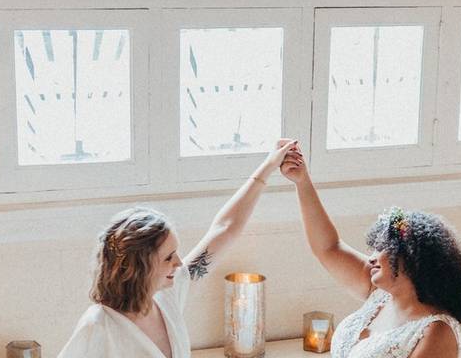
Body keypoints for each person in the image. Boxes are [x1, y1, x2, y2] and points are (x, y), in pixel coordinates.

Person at [57, 138, 298, 358]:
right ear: (141, 264)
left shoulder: (167, 294)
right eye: (168, 257)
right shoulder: (98, 326)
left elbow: (225, 228)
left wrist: (268, 166)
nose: (179, 263)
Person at [280, 145, 461, 358]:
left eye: (381, 249)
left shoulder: (437, 331)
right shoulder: (379, 295)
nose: (371, 257)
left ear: (410, 257)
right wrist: (302, 181)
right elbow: (327, 247)